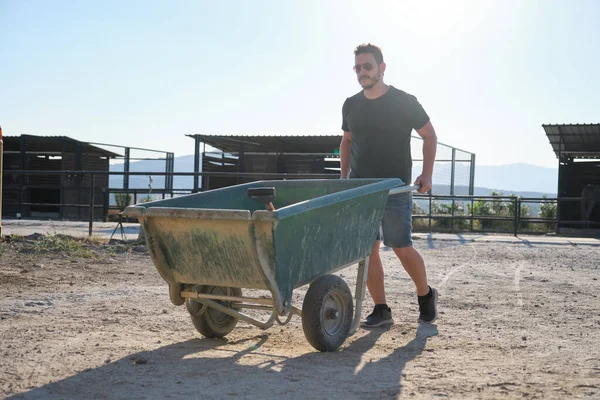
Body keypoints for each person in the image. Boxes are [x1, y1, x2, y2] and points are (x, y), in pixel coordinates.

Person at [339, 43, 438, 327]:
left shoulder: (405, 102)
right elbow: (346, 141)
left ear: (382, 68)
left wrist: (427, 175)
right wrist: (344, 177)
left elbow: (430, 136)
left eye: (367, 66)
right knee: (367, 251)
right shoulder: (351, 105)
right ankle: (381, 309)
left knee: (401, 247)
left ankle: (426, 295)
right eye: (357, 68)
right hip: (361, 191)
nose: (361, 72)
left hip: (395, 189)